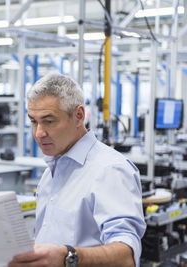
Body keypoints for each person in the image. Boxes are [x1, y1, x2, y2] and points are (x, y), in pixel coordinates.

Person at [8, 72, 146, 267]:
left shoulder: (109, 169)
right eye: (33, 121)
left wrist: (68, 256)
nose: (39, 133)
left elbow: (126, 257)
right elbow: (53, 244)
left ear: (79, 116)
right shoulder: (51, 171)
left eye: (49, 121)